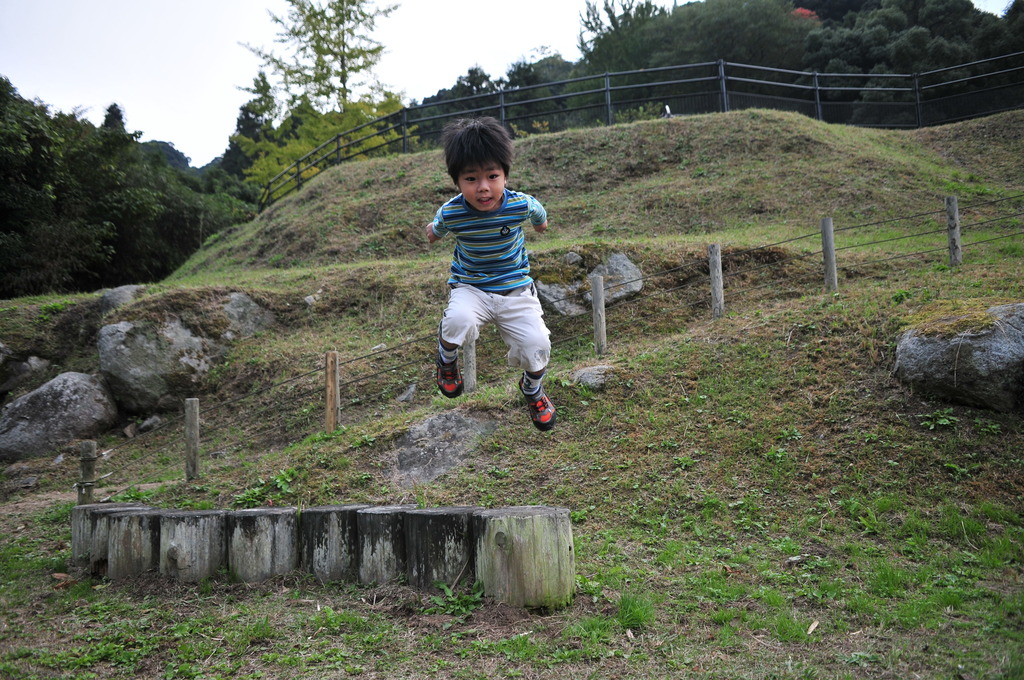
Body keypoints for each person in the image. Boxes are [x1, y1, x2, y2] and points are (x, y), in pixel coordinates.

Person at [424, 116, 556, 431]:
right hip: (470, 288)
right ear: (457, 182)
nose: (483, 187)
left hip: (516, 291)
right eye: (471, 179)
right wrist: (431, 233)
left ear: (505, 176)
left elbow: (539, 213)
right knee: (458, 321)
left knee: (538, 346)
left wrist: (541, 225)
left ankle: (532, 389)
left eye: (492, 176)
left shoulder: (519, 205)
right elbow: (436, 228)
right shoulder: (452, 211)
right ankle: (446, 361)